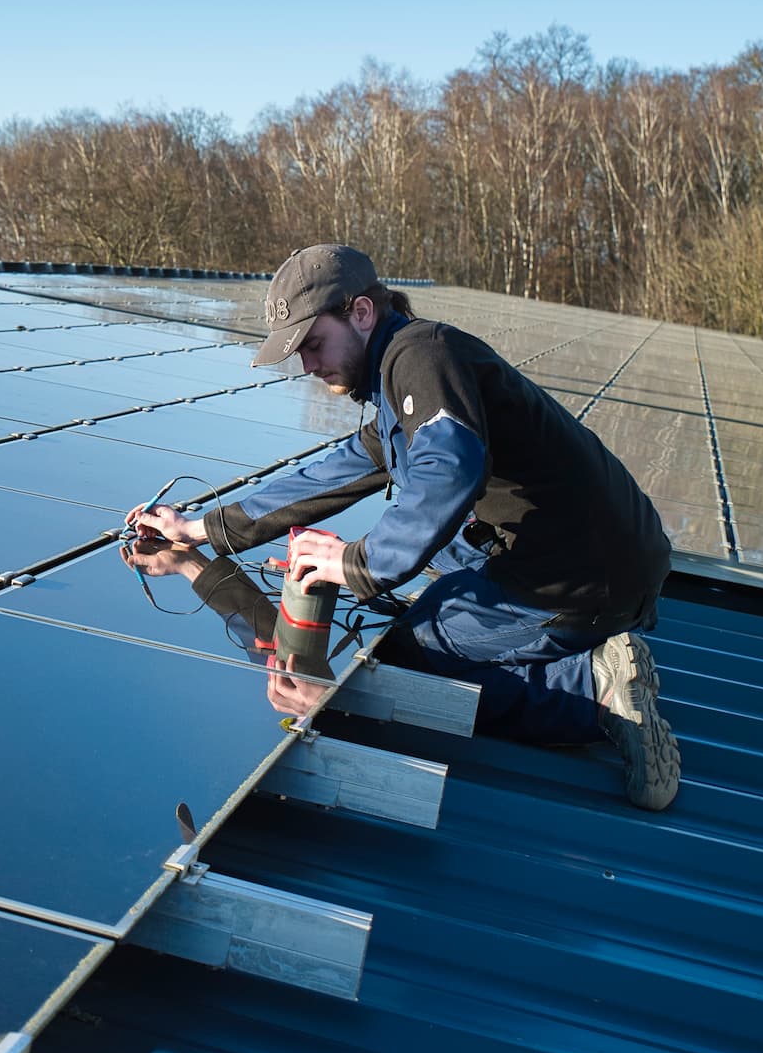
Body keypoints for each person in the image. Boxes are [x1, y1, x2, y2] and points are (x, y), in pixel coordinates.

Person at [129, 244, 682, 811]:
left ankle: (593, 686)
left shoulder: (420, 356)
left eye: (313, 344)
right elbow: (330, 476)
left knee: (403, 661)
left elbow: (449, 469)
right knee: (435, 560)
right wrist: (201, 531)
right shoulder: (404, 378)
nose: (309, 367)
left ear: (361, 312)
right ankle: (557, 644)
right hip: (600, 550)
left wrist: (356, 563)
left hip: (581, 578)